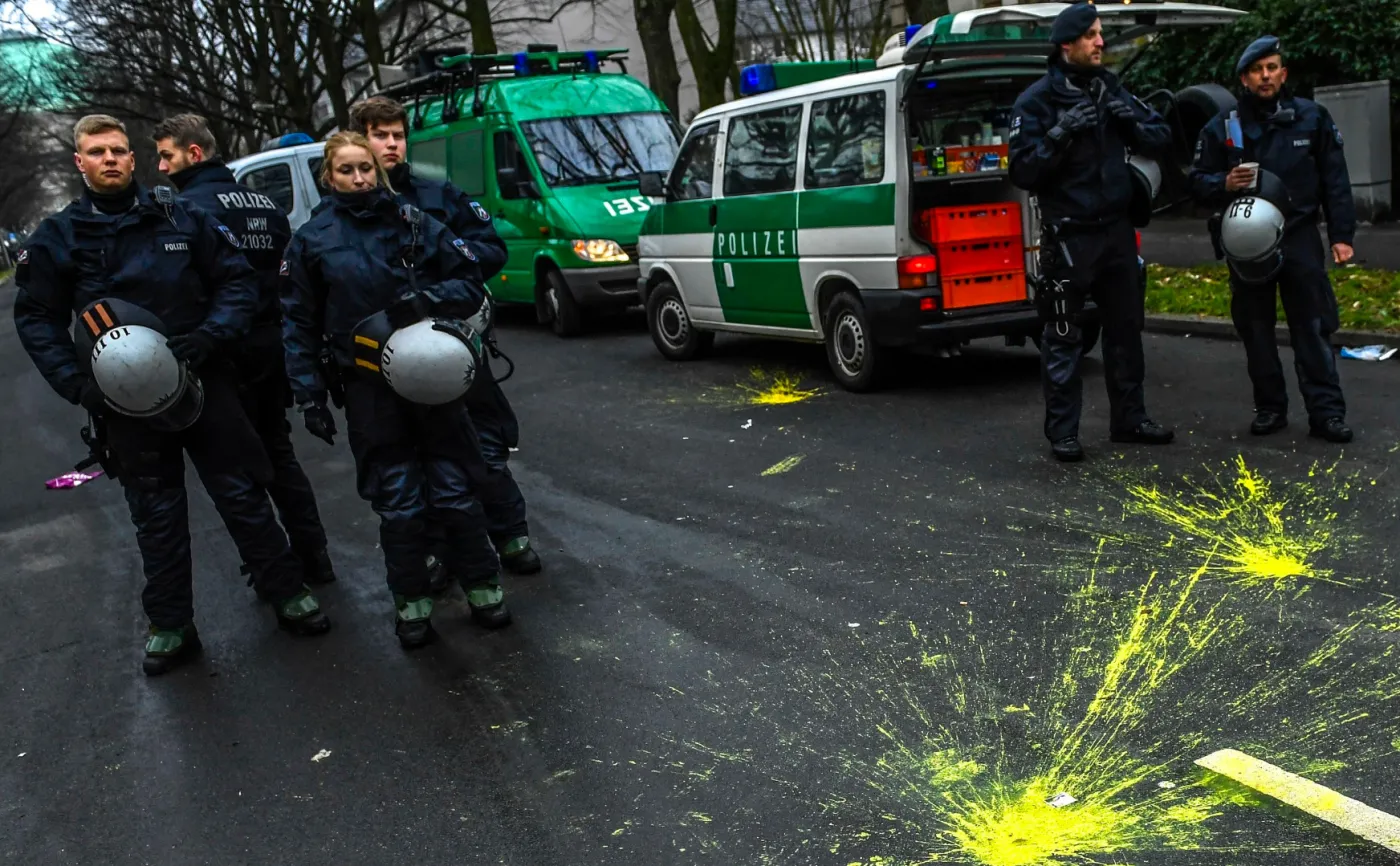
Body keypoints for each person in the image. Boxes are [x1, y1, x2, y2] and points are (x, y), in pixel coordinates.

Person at [12, 114, 330, 675]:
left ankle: (287, 592)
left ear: (132, 160)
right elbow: (36, 317)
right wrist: (75, 384)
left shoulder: (181, 215)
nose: (109, 159)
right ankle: (171, 624)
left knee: (243, 493)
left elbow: (236, 280)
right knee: (155, 513)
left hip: (204, 380)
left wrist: (212, 335)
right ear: (78, 162)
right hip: (123, 402)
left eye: (117, 150)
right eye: (96, 151)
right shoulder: (59, 237)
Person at [280, 131, 511, 649]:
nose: (359, 178)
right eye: (347, 170)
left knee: (456, 492)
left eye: (366, 168)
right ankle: (412, 604)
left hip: (435, 379)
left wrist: (424, 300)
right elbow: (297, 322)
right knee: (399, 505)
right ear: (328, 176)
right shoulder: (312, 240)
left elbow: (470, 278)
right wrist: (308, 393)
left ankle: (483, 587)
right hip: (368, 389)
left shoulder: (414, 223)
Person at [345, 95, 542, 583]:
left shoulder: (436, 194)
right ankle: (436, 553)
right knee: (410, 463)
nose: (391, 144)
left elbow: (490, 250)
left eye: (397, 135)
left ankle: (510, 531)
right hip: (389, 359)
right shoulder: (344, 212)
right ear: (357, 140)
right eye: (379, 135)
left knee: (482, 443)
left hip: (454, 343)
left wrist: (440, 277)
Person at [152, 113, 338, 586]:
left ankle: (273, 566)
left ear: (193, 154)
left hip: (223, 349)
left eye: (166, 155)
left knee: (240, 465)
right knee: (280, 453)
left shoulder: (186, 211)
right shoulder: (263, 202)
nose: (160, 167)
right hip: (271, 344)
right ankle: (315, 555)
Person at [1008, 1, 1176, 463]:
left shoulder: (1110, 88)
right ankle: (1063, 432)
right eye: (1092, 36)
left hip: (1117, 232)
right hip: (1070, 237)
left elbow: (1161, 136)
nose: (1101, 42)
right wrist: (1059, 134)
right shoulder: (1036, 101)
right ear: (1067, 45)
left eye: (1100, 34)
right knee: (1063, 333)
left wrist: (1130, 121)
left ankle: (1130, 420)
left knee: (1126, 330)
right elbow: (1022, 170)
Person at [1189, 36, 1355, 443]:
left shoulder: (1312, 118)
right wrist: (1223, 182)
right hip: (1248, 245)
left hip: (1298, 236)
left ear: (1284, 73)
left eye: (1273, 67)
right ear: (1244, 78)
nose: (1267, 76)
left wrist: (1342, 235)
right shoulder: (1223, 127)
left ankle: (1327, 414)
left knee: (1312, 329)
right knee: (1257, 330)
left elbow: (1335, 180)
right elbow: (1194, 183)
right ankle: (1270, 408)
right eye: (1258, 69)